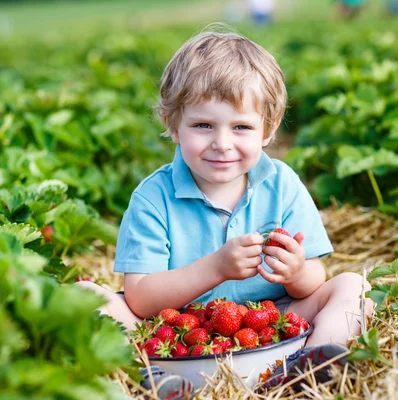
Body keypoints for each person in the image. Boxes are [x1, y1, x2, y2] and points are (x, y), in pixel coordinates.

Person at [77, 27, 372, 396]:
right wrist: (215, 268)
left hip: (273, 324)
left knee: (352, 286)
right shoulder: (153, 196)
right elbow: (140, 297)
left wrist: (296, 271)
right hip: (177, 338)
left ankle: (310, 367)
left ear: (268, 129)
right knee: (90, 299)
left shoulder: (282, 183)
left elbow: (314, 277)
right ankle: (150, 380)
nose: (222, 143)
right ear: (172, 124)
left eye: (241, 127)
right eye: (203, 125)